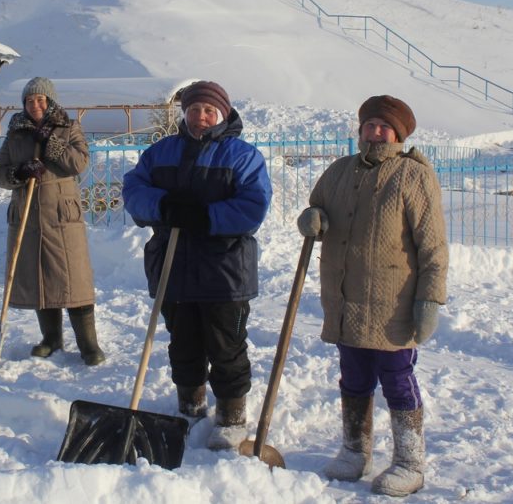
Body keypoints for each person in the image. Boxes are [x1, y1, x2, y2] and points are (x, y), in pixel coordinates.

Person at [297, 95, 448, 497]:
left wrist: (430, 299)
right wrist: (311, 219)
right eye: (369, 125)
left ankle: (409, 462)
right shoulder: (339, 171)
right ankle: (354, 450)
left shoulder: (412, 176)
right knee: (354, 378)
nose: (375, 132)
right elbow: (316, 210)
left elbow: (433, 246)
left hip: (394, 304)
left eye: (384, 126)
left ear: (398, 134)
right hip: (346, 299)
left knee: (397, 379)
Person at [122, 80, 272, 450]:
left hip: (224, 272)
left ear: (221, 114)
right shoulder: (162, 152)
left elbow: (253, 206)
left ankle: (232, 416)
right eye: (193, 110)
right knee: (183, 341)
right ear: (184, 113)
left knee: (227, 344)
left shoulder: (242, 156)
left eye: (208, 111)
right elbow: (133, 190)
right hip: (173, 266)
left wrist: (206, 217)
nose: (200, 117)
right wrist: (163, 206)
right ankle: (190, 406)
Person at [0, 77, 106, 366]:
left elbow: (79, 163)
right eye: (30, 100)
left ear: (51, 101)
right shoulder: (16, 134)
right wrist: (19, 172)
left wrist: (50, 143)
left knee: (73, 279)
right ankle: (51, 338)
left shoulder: (69, 128)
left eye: (41, 99)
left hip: (61, 216)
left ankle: (89, 345)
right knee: (38, 278)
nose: (35, 105)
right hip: (28, 216)